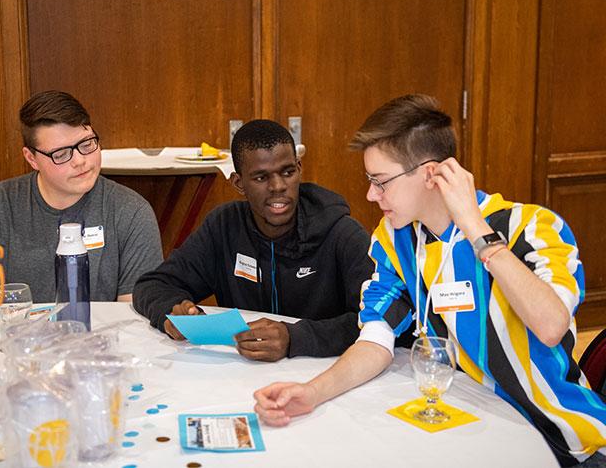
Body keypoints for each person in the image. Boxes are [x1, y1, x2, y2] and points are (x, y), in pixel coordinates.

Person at [253, 94, 606, 467]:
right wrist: (312, 392)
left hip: (565, 443)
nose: (371, 194)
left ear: (431, 174)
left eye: (381, 181)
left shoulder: (530, 227)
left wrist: (476, 231)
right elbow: (375, 340)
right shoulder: (395, 239)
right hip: (474, 431)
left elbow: (551, 325)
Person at [132, 119, 383, 362]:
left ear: (299, 169)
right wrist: (173, 312)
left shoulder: (341, 232)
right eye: (261, 177)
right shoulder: (224, 227)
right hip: (243, 376)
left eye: (287, 172)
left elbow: (382, 319)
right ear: (239, 183)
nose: (278, 186)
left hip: (328, 375)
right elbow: (152, 285)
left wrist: (296, 338)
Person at [0, 90, 163, 310]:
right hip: (12, 345)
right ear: (31, 158)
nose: (80, 161)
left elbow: (133, 313)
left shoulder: (132, 212)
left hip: (93, 344)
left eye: (87, 144)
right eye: (61, 154)